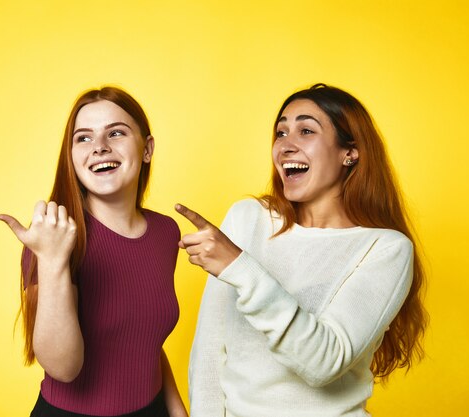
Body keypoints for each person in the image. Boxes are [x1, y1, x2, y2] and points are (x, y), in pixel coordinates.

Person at [176, 83, 427, 417]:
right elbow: (209, 352)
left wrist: (241, 268)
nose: (285, 146)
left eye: (305, 130)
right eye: (281, 133)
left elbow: (323, 362)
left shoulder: (385, 249)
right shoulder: (247, 219)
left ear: (349, 152)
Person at [0, 86, 188, 417]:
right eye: (83, 138)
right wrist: (53, 260)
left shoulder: (166, 231)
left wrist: (177, 411)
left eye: (116, 133)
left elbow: (145, 343)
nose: (99, 148)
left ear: (147, 148)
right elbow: (63, 368)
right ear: (71, 156)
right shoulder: (52, 238)